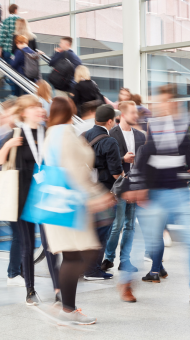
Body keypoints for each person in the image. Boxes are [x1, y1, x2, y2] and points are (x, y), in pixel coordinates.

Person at [123, 84, 190, 307]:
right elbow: (143, 157)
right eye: (159, 101)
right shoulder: (150, 125)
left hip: (179, 193)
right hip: (155, 193)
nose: (161, 105)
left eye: (165, 101)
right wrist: (139, 187)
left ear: (173, 103)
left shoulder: (182, 126)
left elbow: (186, 159)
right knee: (147, 241)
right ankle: (126, 280)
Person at [41, 97, 115, 325]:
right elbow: (75, 171)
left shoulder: (50, 134)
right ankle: (68, 309)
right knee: (84, 253)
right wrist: (95, 196)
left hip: (53, 202)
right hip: (70, 203)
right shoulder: (66, 134)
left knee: (72, 256)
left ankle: (67, 307)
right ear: (69, 111)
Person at [0, 95, 49, 305]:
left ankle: (57, 288)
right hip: (22, 196)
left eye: (40, 107)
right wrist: (9, 144)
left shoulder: (47, 133)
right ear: (24, 112)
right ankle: (30, 290)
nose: (39, 110)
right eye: (34, 107)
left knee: (50, 245)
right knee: (28, 244)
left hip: (45, 195)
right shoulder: (15, 134)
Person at [101, 101, 146, 300]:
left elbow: (144, 161)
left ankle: (125, 260)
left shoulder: (140, 136)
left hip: (135, 184)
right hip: (118, 184)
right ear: (122, 114)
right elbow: (107, 159)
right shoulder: (112, 134)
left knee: (130, 225)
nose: (135, 116)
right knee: (117, 224)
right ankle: (109, 258)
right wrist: (122, 159)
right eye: (132, 112)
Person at [83, 104, 123, 280]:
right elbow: (116, 173)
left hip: (85, 191)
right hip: (103, 193)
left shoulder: (83, 136)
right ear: (110, 121)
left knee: (88, 230)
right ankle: (92, 269)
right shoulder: (109, 141)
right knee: (102, 230)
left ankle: (82, 266)